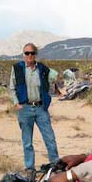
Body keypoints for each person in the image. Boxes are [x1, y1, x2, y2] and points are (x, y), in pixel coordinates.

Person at [9, 43, 59, 172]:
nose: (29, 55)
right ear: (23, 54)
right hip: (24, 108)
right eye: (27, 53)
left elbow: (53, 79)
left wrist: (55, 79)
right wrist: (16, 103)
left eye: (32, 53)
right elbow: (12, 87)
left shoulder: (42, 69)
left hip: (40, 108)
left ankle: (55, 165)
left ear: (35, 54)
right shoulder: (17, 68)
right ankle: (30, 168)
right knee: (27, 141)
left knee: (50, 138)